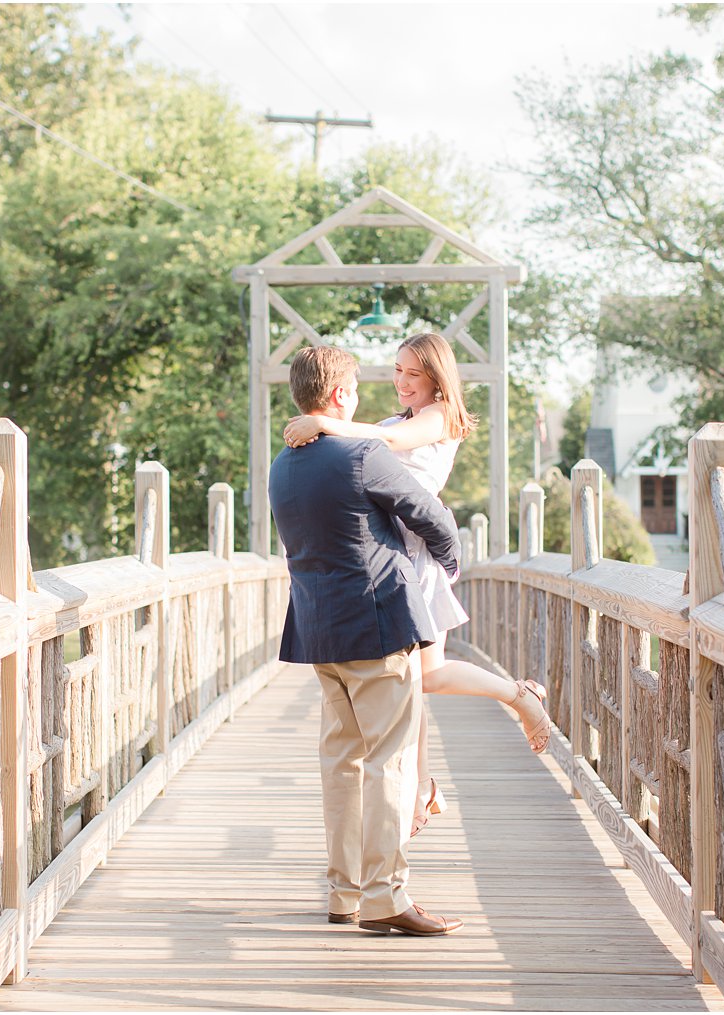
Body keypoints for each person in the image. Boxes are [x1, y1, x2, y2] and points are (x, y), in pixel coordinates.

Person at [283, 331, 550, 837]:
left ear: (436, 377)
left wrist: (322, 422)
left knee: (425, 676)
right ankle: (422, 788)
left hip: (417, 555)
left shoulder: (437, 417)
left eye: (413, 373)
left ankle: (519, 696)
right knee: (414, 682)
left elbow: (391, 445)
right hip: (386, 555)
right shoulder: (387, 421)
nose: (401, 381)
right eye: (397, 371)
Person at [269, 345, 465, 937]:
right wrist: (448, 568)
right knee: (391, 763)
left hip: (319, 632)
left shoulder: (283, 463)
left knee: (342, 764)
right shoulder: (363, 453)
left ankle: (343, 892)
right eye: (354, 387)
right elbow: (430, 515)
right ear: (339, 397)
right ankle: (385, 898)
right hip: (378, 624)